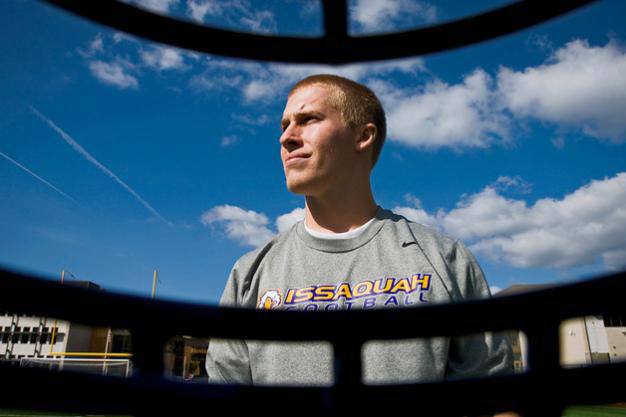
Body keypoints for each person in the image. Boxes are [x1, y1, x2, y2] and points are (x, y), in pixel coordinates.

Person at [205, 74, 513, 388]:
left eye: (308, 119)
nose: (286, 137)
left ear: (363, 136)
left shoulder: (444, 259)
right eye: (284, 126)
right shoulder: (249, 274)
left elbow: (496, 402)